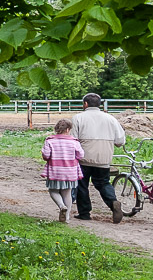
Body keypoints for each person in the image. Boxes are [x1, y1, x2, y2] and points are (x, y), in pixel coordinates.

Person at [73, 93, 127, 223]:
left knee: (81, 184)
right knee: (103, 183)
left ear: (85, 104)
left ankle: (84, 213)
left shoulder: (78, 118)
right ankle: (113, 202)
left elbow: (73, 140)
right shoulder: (111, 119)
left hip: (83, 157)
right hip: (104, 157)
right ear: (100, 104)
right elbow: (120, 140)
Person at [41, 118, 84, 222]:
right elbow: (81, 155)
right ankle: (67, 217)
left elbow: (46, 155)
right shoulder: (74, 142)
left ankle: (61, 206)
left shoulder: (50, 140)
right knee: (67, 193)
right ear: (68, 129)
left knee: (53, 191)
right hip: (70, 171)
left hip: (55, 171)